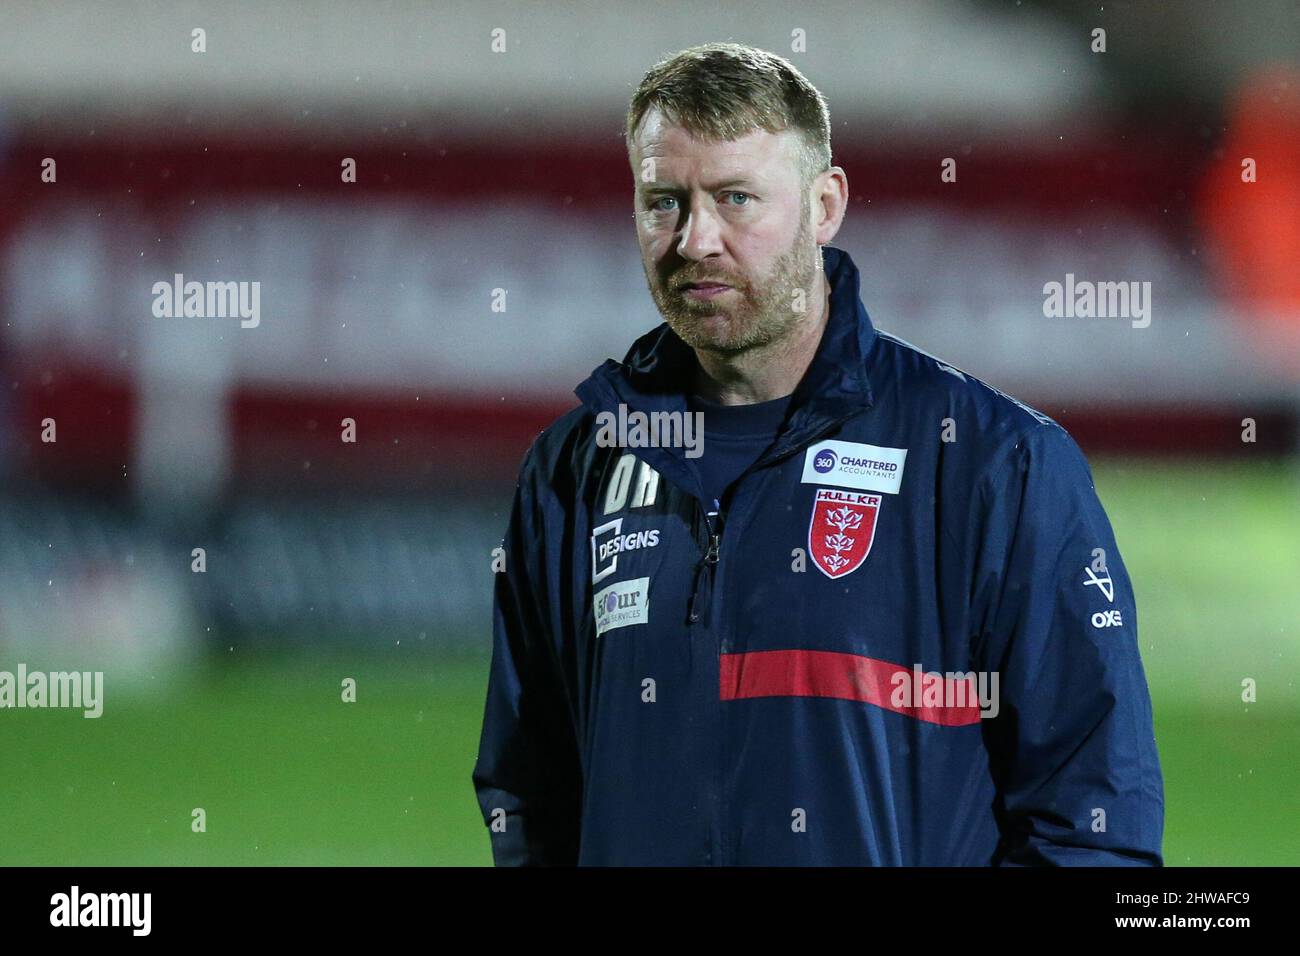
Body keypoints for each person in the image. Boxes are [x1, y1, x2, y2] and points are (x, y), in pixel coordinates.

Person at [472, 42, 1164, 865]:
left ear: (824, 203)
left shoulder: (995, 462)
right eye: (664, 202)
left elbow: (1092, 817)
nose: (697, 240)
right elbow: (529, 791)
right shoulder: (573, 468)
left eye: (736, 199)